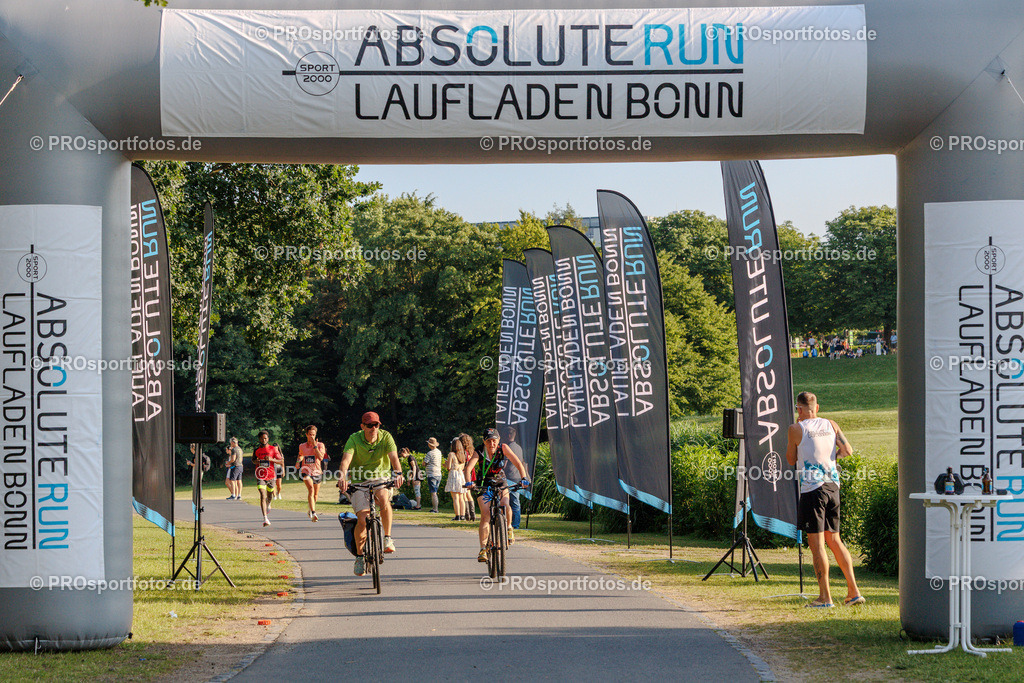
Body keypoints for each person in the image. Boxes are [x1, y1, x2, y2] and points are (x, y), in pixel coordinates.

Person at [786, 392, 865, 608]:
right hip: (833, 486)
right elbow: (847, 450)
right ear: (817, 407)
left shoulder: (796, 429)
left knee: (817, 544)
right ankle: (853, 592)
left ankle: (825, 598)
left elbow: (791, 459)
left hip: (813, 490)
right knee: (835, 540)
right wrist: (830, 459)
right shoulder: (831, 424)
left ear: (799, 409)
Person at [338, 412, 404, 577]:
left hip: (381, 479)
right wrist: (343, 477)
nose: (373, 428)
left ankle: (387, 538)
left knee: (383, 498)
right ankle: (360, 557)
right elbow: (345, 460)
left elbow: (394, 458)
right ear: (363, 427)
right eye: (369, 425)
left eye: (376, 425)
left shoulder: (386, 437)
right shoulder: (354, 438)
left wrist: (398, 474)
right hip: (359, 481)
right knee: (362, 519)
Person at [465, 428, 529, 563]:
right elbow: (468, 468)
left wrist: (523, 478)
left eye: (494, 441)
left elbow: (518, 463)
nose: (491, 444)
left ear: (498, 441)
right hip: (484, 484)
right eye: (488, 441)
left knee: (505, 503)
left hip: (500, 481)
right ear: (484, 441)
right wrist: (469, 482)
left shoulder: (504, 448)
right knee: (486, 514)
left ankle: (509, 527)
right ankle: (483, 548)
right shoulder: (479, 451)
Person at [252, 430, 283, 526]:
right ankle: (265, 518)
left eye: (265, 438)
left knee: (269, 496)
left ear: (268, 439)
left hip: (271, 476)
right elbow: (253, 461)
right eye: (262, 438)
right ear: (259, 439)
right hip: (260, 475)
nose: (263, 440)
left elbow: (281, 461)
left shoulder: (273, 449)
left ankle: (269, 503)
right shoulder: (256, 450)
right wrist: (256, 461)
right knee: (262, 495)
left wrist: (271, 459)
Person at [296, 424, 326, 522]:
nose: (312, 436)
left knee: (315, 495)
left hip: (317, 472)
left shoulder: (320, 445)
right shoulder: (302, 446)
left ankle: (310, 509)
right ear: (306, 435)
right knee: (311, 489)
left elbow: (321, 457)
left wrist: (315, 446)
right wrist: (298, 462)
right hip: (306, 471)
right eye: (310, 434)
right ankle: (313, 512)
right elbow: (300, 455)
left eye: (313, 434)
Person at [501, 426, 525, 529]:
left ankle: (507, 523)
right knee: (515, 503)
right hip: (517, 478)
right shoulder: (519, 447)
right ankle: (516, 524)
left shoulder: (507, 447)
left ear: (509, 435)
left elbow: (504, 464)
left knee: (504, 501)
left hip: (508, 477)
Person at [445, 436, 467, 520]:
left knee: (455, 497)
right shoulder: (462, 454)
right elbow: (462, 466)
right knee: (461, 497)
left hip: (453, 475)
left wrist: (445, 464)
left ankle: (457, 515)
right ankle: (463, 516)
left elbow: (449, 467)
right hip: (460, 475)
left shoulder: (451, 454)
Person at [459, 433, 477, 521]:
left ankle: (467, 514)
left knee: (464, 494)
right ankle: (472, 514)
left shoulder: (463, 452)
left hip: (464, 473)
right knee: (469, 494)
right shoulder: (472, 451)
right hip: (470, 473)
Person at [422, 437, 443, 513]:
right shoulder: (439, 452)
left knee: (433, 492)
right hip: (438, 473)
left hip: (432, 474)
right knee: (435, 491)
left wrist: (423, 463)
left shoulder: (429, 453)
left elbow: (424, 463)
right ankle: (435, 508)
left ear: (429, 444)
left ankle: (435, 508)